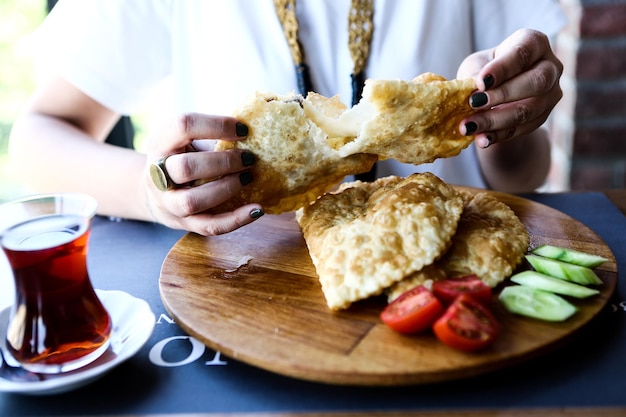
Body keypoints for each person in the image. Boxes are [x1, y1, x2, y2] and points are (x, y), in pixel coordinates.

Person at [8, 0, 565, 236]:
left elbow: (526, 174)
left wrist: (496, 117)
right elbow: (37, 139)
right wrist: (150, 192)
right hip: (245, 300)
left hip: (444, 288)